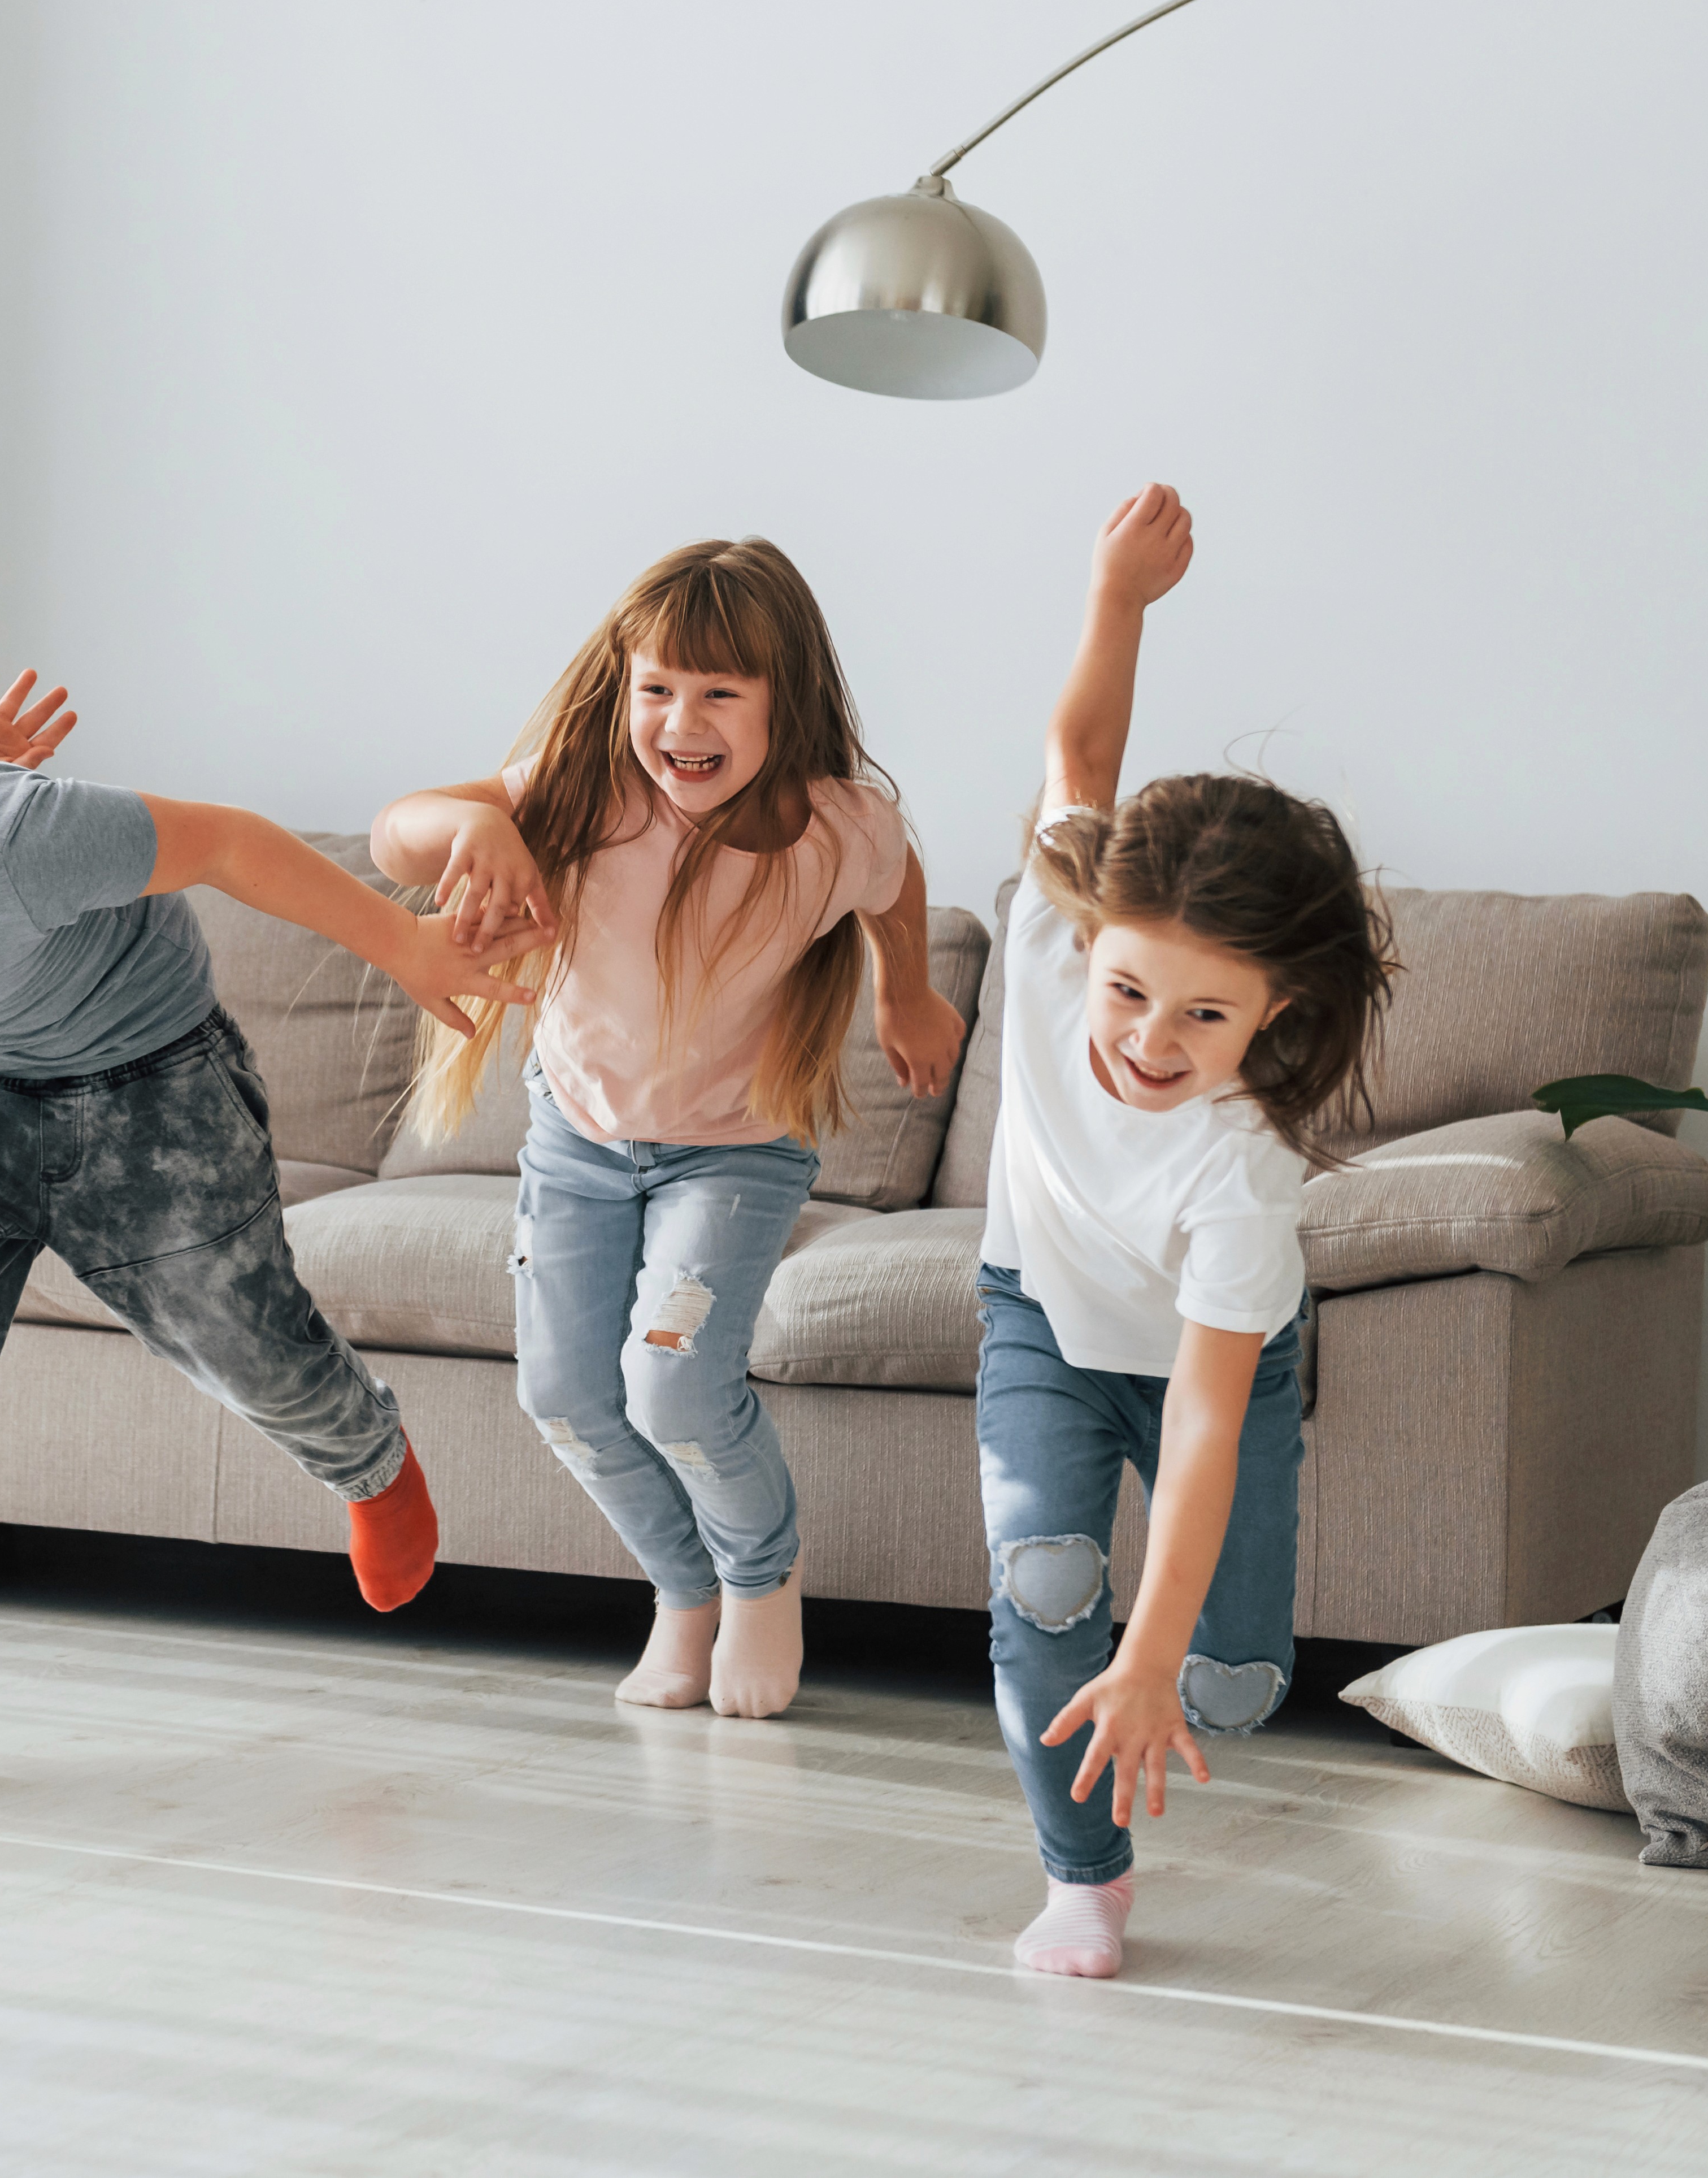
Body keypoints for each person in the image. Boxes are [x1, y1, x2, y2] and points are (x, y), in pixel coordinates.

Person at [0, 630, 536, 1793]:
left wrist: (406, 941)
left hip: (149, 1082)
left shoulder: (23, 842)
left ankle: (371, 1460)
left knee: (248, 1349)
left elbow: (222, 842)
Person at [372, 540, 961, 1720]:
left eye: (719, 693)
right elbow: (396, 834)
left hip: (735, 1155)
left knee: (675, 1389)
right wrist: (470, 829)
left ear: (783, 702)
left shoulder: (836, 829)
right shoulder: (584, 792)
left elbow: (897, 884)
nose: (680, 721)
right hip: (578, 1142)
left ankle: (761, 1583)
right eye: (657, 689)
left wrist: (905, 989)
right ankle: (683, 1594)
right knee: (562, 1396)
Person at [979, 484, 1397, 1977]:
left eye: (1203, 1015)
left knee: (1222, 1680)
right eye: (1127, 990)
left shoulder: (1242, 1171)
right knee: (1040, 1588)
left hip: (1205, 1364)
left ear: (1274, 1013)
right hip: (1036, 1315)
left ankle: (1198, 1658)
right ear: (1089, 938)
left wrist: (1155, 1654)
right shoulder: (1048, 931)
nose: (1148, 1039)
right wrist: (1117, 596)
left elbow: (1209, 1424)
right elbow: (1079, 753)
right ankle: (1079, 1879)